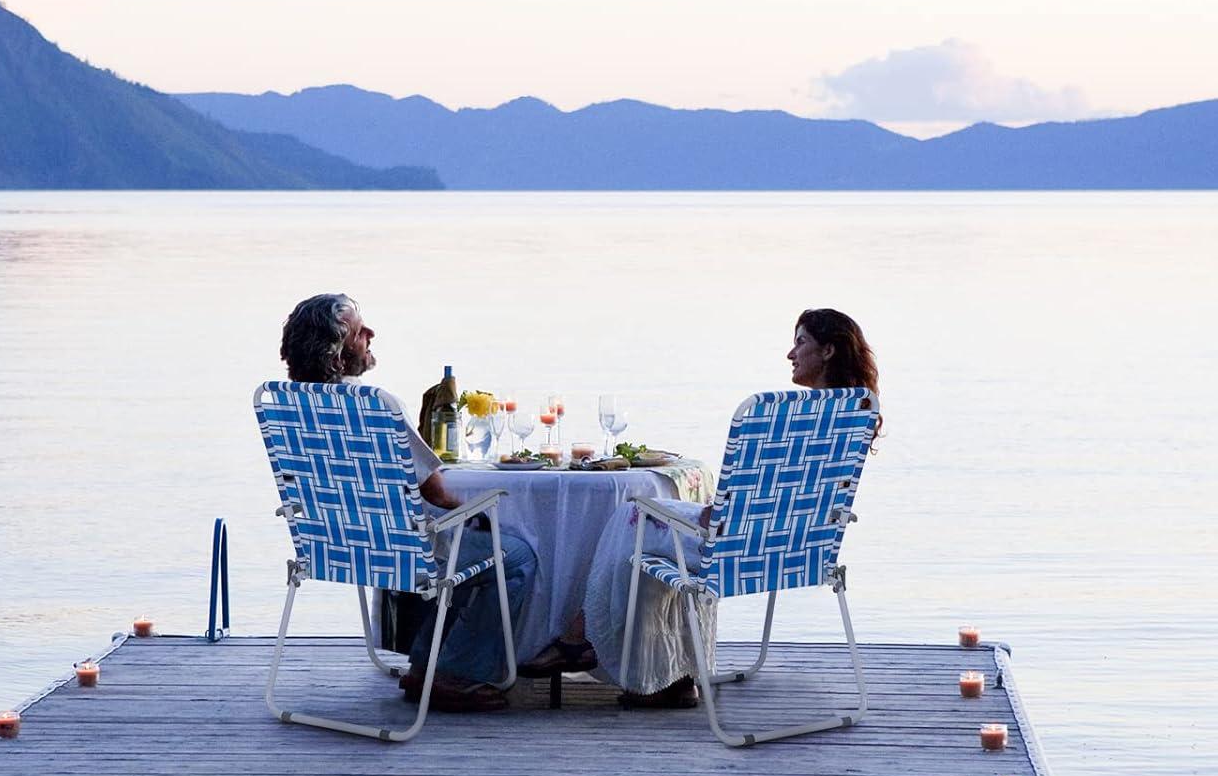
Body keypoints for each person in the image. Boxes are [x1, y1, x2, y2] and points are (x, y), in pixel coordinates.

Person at [581, 308, 880, 708]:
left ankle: (588, 644)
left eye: (800, 342)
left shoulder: (782, 418)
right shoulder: (849, 417)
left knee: (630, 516)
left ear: (827, 351)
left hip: (734, 551)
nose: (791, 354)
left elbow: (736, 509)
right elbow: (780, 500)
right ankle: (676, 675)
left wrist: (714, 512)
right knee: (649, 530)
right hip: (798, 551)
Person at [278, 294, 536, 712]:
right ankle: (456, 673)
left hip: (333, 547)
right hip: (399, 552)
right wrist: (476, 515)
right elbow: (436, 492)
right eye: (360, 332)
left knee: (466, 556)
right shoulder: (374, 406)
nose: (370, 334)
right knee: (514, 554)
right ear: (338, 355)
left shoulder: (290, 407)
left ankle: (425, 667)